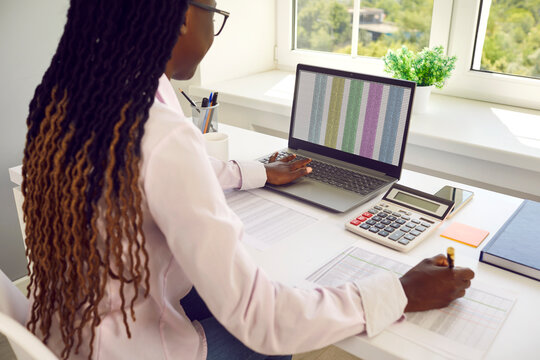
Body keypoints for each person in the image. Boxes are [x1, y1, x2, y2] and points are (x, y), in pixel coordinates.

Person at [21, 1, 474, 360]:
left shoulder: (71, 97)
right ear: (181, 17)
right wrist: (399, 293)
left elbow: (157, 174)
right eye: (213, 15)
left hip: (73, 331)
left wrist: (256, 172)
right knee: (275, 340)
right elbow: (264, 321)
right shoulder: (157, 131)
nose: (211, 34)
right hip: (134, 348)